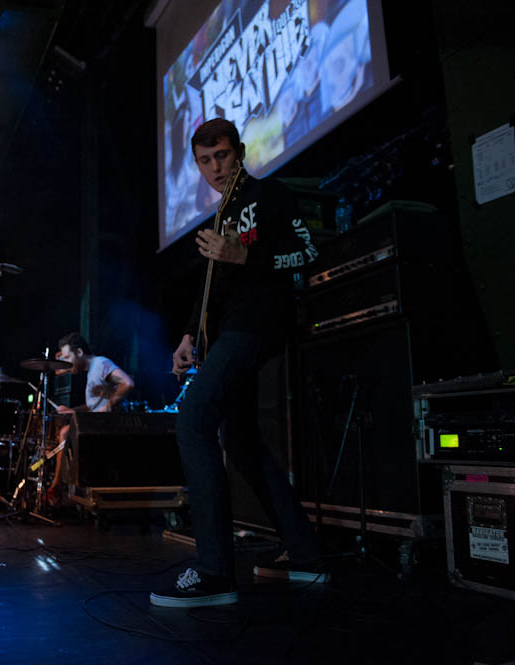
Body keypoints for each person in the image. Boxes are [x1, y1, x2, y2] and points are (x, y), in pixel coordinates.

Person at [150, 118, 322, 609]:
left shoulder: (269, 195)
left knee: (193, 422)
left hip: (257, 328)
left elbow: (308, 253)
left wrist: (244, 257)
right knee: (242, 444)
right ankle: (307, 555)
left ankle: (213, 572)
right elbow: (213, 291)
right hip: (227, 333)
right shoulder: (220, 215)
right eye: (204, 161)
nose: (214, 168)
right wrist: (188, 337)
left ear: (239, 152)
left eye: (221, 155)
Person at [50, 333, 135, 498]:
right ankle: (66, 485)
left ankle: (58, 485)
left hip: (110, 426)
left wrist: (110, 404)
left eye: (68, 357)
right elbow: (93, 407)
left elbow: (128, 383)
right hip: (96, 423)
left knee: (65, 433)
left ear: (80, 352)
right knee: (63, 430)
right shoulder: (92, 371)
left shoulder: (101, 363)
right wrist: (73, 410)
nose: (66, 362)